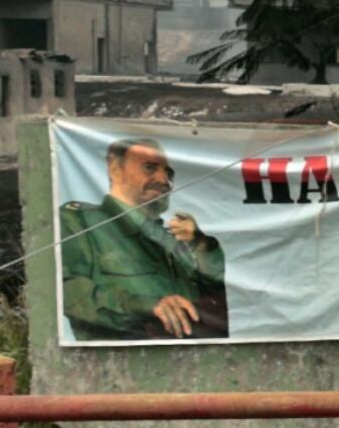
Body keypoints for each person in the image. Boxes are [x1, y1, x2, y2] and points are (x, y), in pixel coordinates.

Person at [60, 135, 230, 341]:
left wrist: (204, 244)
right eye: (150, 168)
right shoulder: (81, 222)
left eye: (168, 173)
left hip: (195, 360)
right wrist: (149, 306)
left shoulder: (174, 238)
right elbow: (72, 295)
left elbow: (221, 297)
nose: (163, 180)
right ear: (115, 170)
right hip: (122, 364)